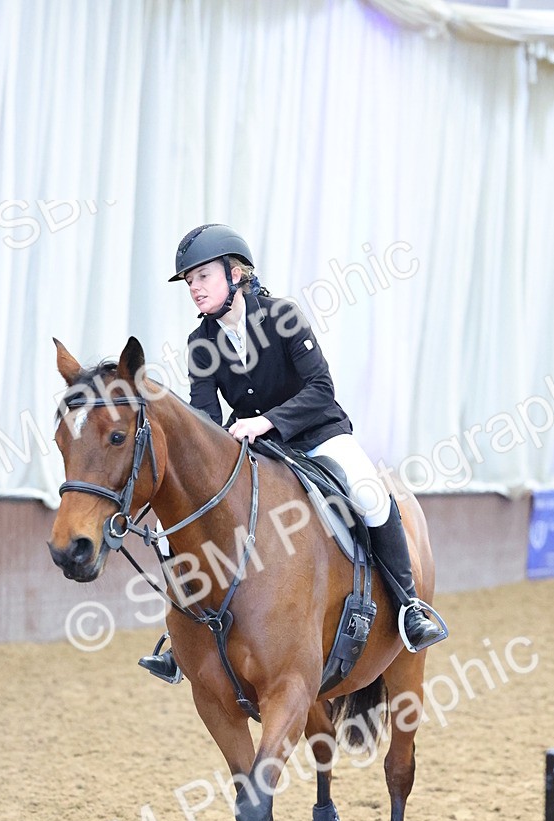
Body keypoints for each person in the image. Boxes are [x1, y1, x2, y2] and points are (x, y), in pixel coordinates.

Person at [138, 223, 446, 684]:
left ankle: (408, 606)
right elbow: (204, 422)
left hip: (317, 434)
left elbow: (322, 389)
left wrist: (267, 422)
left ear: (235, 273)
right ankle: (184, 640)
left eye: (202, 276)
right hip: (260, 452)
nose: (194, 288)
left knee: (371, 495)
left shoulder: (282, 316)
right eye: (189, 281)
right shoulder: (200, 343)